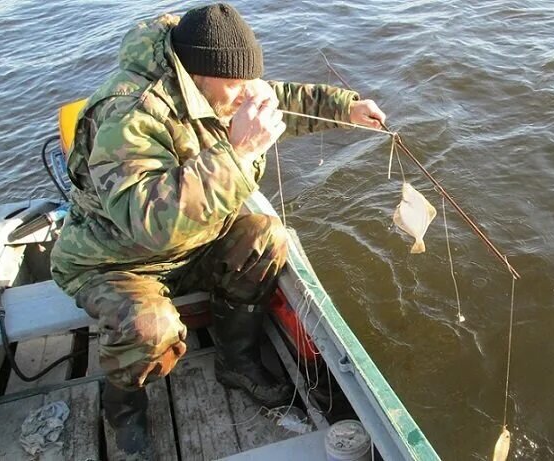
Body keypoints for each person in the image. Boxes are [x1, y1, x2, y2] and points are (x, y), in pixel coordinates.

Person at [50, 3, 385, 458]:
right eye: (236, 85)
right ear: (196, 75)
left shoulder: (222, 84)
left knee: (266, 236)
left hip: (191, 244)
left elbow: (278, 97)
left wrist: (345, 107)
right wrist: (239, 153)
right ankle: (123, 407)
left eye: (251, 81)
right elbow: (148, 224)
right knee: (151, 327)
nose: (249, 95)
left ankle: (237, 362)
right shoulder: (129, 115)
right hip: (115, 261)